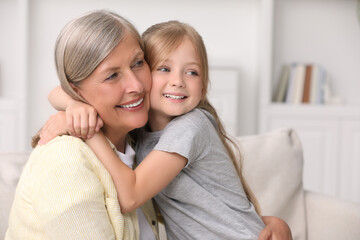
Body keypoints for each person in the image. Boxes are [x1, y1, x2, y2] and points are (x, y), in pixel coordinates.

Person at [43, 20, 292, 240]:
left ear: (203, 88)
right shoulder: (139, 133)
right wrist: (74, 106)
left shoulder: (192, 126)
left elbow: (130, 197)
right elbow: (56, 92)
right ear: (144, 78)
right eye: (164, 68)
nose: (178, 81)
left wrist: (88, 129)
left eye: (192, 72)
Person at [5, 10, 160, 240]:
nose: (136, 85)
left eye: (138, 63)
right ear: (76, 91)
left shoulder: (140, 142)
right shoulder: (64, 159)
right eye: (112, 76)